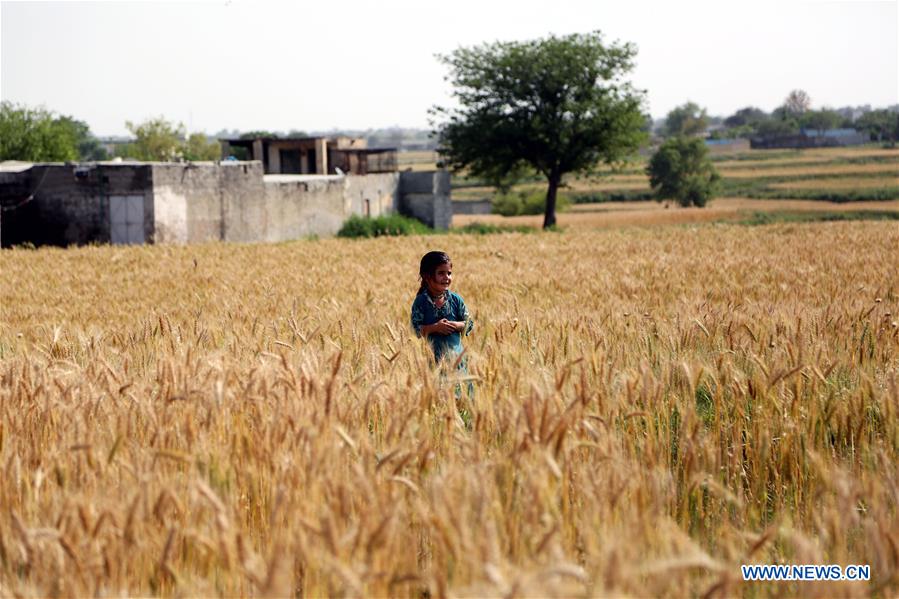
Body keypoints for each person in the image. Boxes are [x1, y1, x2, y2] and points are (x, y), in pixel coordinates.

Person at [410, 250, 474, 369]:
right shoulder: (421, 302)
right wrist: (435, 328)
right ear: (427, 276)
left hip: (457, 362)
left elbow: (469, 324)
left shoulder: (456, 300)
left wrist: (456, 325)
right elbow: (415, 330)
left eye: (449, 273)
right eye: (441, 273)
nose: (446, 277)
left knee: (459, 388)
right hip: (433, 364)